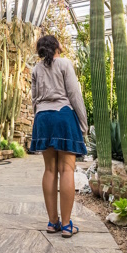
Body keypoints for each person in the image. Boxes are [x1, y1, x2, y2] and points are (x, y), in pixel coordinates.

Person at [29, 35, 88, 238]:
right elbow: (74, 94)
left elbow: (34, 98)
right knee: (67, 169)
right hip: (63, 116)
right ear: (56, 47)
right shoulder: (64, 63)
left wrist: (40, 117)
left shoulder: (36, 69)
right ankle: (67, 225)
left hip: (43, 118)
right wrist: (83, 122)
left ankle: (52, 222)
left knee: (50, 170)